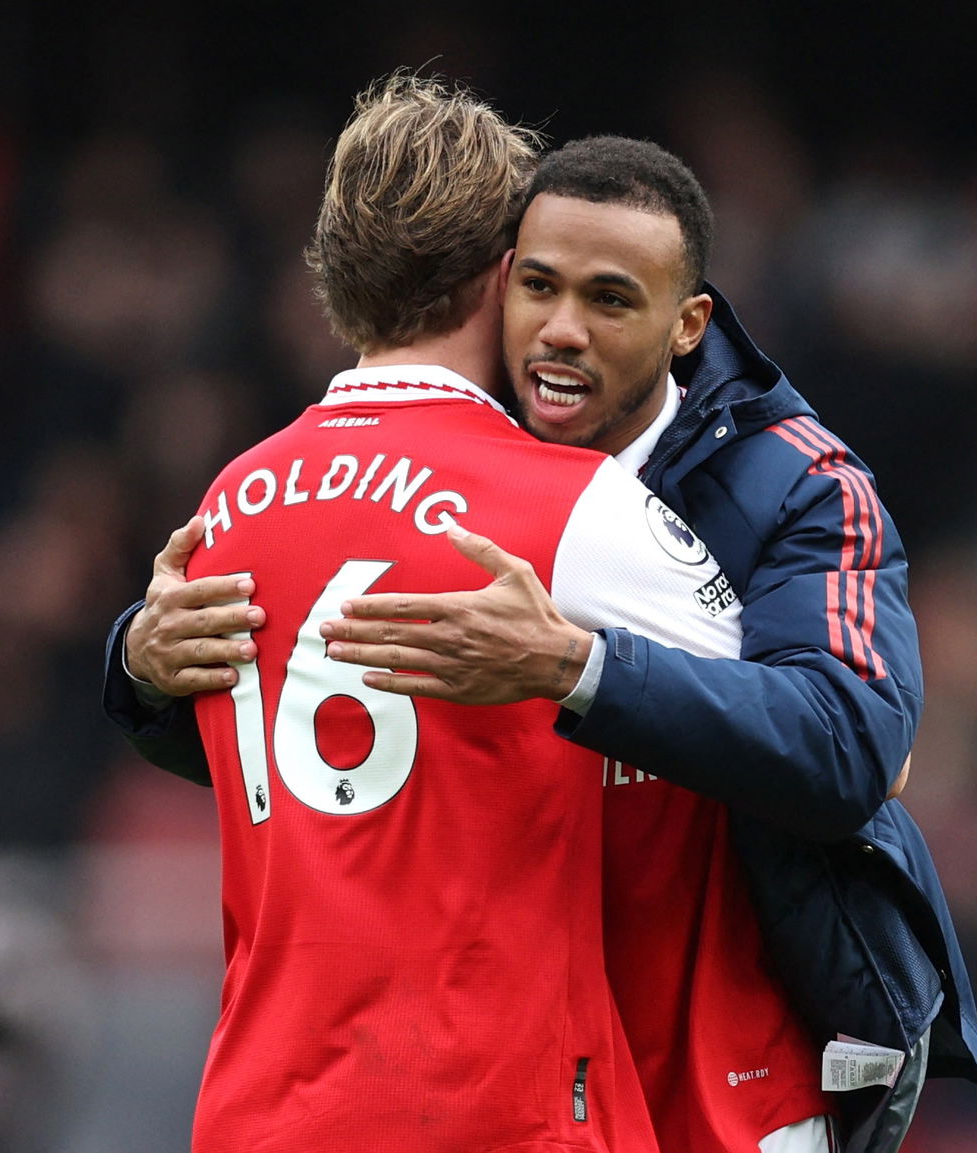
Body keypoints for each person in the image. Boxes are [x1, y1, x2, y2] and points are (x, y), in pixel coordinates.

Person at [153, 74, 761, 1152]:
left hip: (260, 1110)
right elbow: (813, 731)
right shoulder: (568, 506)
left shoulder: (229, 502)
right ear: (501, 276)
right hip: (495, 1105)